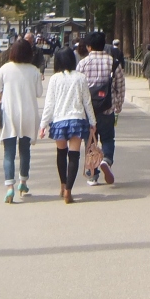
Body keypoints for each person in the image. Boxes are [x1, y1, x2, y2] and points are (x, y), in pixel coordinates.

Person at [39, 47, 97, 203]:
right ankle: (68, 191)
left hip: (59, 120)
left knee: (61, 153)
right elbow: (87, 102)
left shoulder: (54, 79)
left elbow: (49, 104)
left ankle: (63, 184)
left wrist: (43, 125)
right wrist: (93, 122)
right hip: (77, 120)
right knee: (74, 155)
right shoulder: (80, 78)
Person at [0, 37, 43, 203]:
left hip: (10, 113)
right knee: (25, 150)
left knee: (9, 152)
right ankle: (23, 182)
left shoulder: (5, 69)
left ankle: (9, 188)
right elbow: (39, 93)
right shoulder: (34, 70)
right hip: (28, 114)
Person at [78, 30, 125, 184]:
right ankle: (106, 160)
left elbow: (78, 88)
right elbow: (120, 86)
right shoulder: (113, 62)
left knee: (90, 142)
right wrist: (118, 106)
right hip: (107, 108)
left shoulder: (83, 64)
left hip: (88, 110)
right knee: (108, 138)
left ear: (88, 46)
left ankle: (92, 175)